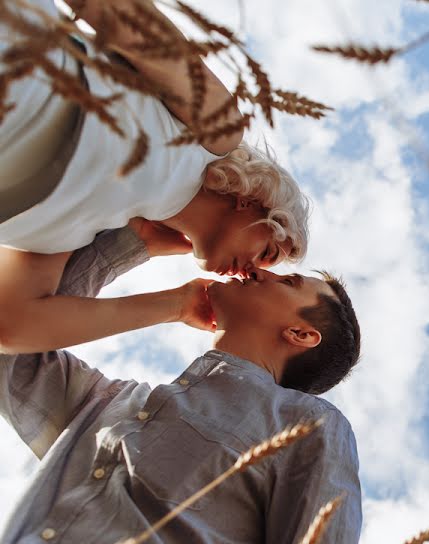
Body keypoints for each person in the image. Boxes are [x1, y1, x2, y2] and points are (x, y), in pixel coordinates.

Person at [0, 223, 362, 544]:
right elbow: (12, 337)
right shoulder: (115, 402)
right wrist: (143, 252)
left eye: (288, 283)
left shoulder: (309, 424)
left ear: (301, 334)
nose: (257, 270)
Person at [0, 0, 310, 353]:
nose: (250, 274)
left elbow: (10, 326)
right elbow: (116, 10)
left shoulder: (77, 231)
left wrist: (176, 305)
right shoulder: (214, 132)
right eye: (267, 253)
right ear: (254, 202)